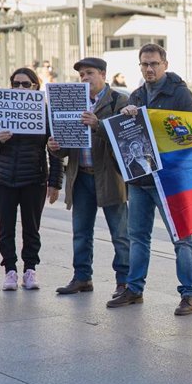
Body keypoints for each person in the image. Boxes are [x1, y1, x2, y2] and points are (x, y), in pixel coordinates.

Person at [106, 43, 192, 316]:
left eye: (154, 64)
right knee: (137, 237)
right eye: (144, 64)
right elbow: (122, 136)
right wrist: (124, 117)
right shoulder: (135, 95)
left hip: (170, 181)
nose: (149, 69)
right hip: (140, 180)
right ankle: (134, 289)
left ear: (165, 65)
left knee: (181, 238)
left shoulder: (180, 94)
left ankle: (189, 294)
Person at [48, 57, 130, 298]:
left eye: (89, 73)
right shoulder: (71, 100)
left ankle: (124, 282)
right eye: (81, 74)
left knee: (120, 233)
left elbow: (126, 139)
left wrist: (98, 124)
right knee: (81, 232)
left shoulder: (119, 100)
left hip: (109, 177)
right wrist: (54, 147)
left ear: (103, 74)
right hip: (80, 176)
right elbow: (65, 147)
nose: (84, 78)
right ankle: (82, 277)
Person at [0, 67, 63, 290]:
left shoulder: (45, 113)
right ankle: (10, 271)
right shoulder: (1, 108)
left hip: (34, 179)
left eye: (26, 84)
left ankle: (30, 271)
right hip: (2, 179)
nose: (21, 88)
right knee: (5, 228)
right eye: (16, 84)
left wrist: (55, 183)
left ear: (36, 86)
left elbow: (54, 151)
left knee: (31, 228)